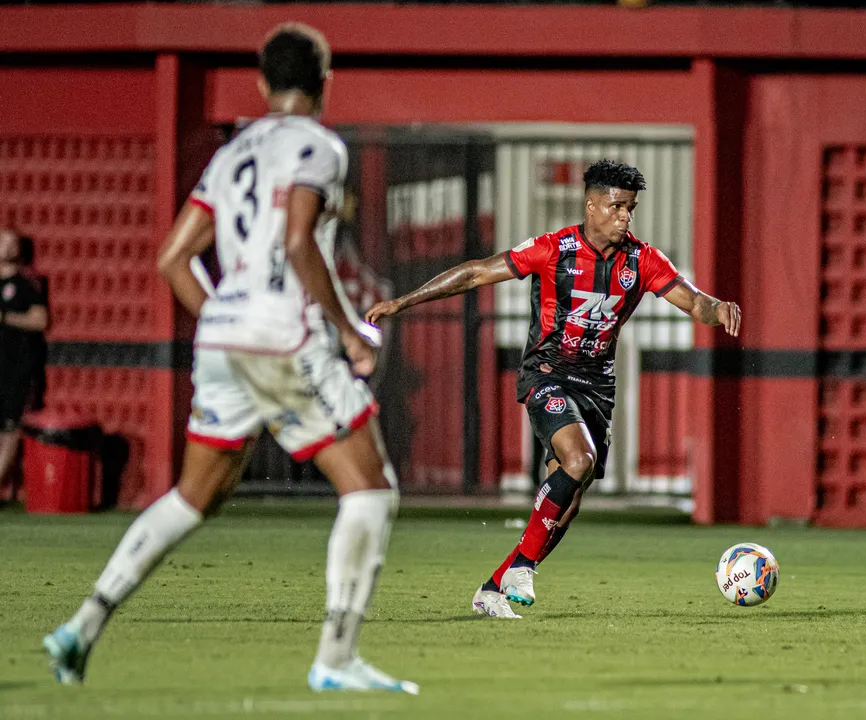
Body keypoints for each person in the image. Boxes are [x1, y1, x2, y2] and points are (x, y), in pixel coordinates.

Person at [43, 23, 418, 695]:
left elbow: (171, 258)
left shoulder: (232, 152)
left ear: (262, 84)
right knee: (371, 489)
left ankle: (81, 625)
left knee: (195, 497)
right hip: (285, 336)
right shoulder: (319, 147)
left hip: (220, 338)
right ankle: (335, 659)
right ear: (324, 81)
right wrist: (348, 332)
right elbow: (302, 242)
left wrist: (224, 314)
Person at [366, 160, 741, 619]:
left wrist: (717, 307)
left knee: (568, 504)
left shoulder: (643, 260)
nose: (625, 216)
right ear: (591, 204)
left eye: (631, 208)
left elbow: (693, 301)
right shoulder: (553, 249)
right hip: (547, 375)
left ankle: (492, 588)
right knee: (577, 461)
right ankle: (523, 567)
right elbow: (476, 273)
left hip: (598, 388)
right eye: (617, 206)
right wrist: (404, 302)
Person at [0, 229, 48, 505]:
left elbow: (40, 320)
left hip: (16, 369)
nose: (6, 247)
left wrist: (5, 317)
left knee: (11, 428)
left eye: (11, 243)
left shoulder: (26, 285)